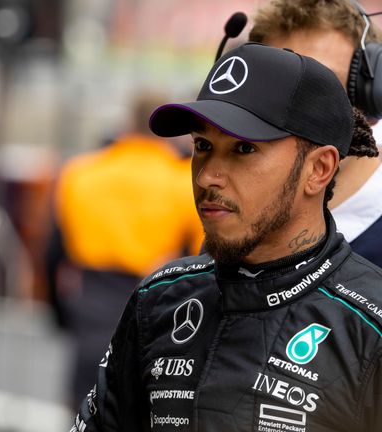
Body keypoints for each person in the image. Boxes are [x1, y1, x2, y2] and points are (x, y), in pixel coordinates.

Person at [72, 43, 382, 432]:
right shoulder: (158, 299)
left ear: (319, 169)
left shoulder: (369, 327)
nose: (206, 177)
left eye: (243, 149)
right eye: (202, 146)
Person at [48, 91, 203, 406]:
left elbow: (53, 253)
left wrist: (60, 314)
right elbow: (197, 258)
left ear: (127, 123)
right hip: (155, 295)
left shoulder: (81, 173)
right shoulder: (181, 181)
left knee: (86, 401)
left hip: (89, 296)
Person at [249, 0, 382, 266]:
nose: (294, 107)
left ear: (370, 95)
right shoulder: (237, 217)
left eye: (321, 82)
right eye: (277, 83)